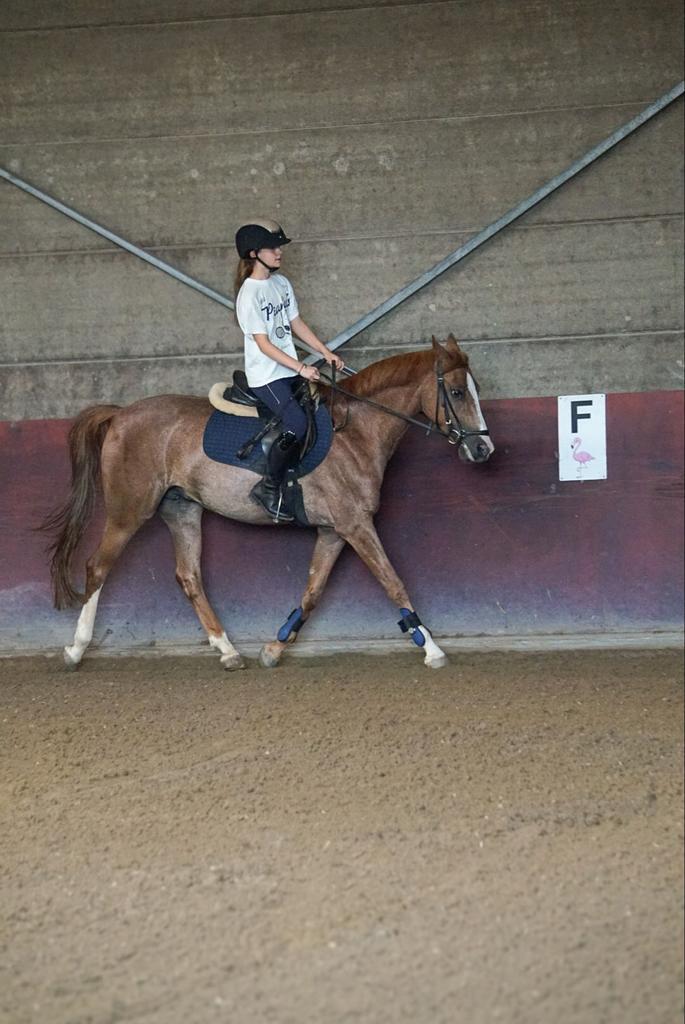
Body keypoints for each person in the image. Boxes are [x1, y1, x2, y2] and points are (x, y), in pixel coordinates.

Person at [234, 218, 344, 521]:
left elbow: (296, 325)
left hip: (288, 370)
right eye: (273, 247)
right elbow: (264, 344)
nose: (279, 252)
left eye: (279, 246)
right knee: (296, 423)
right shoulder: (250, 294)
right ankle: (268, 487)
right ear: (254, 253)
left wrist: (326, 352)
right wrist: (302, 367)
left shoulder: (281, 284)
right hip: (266, 375)